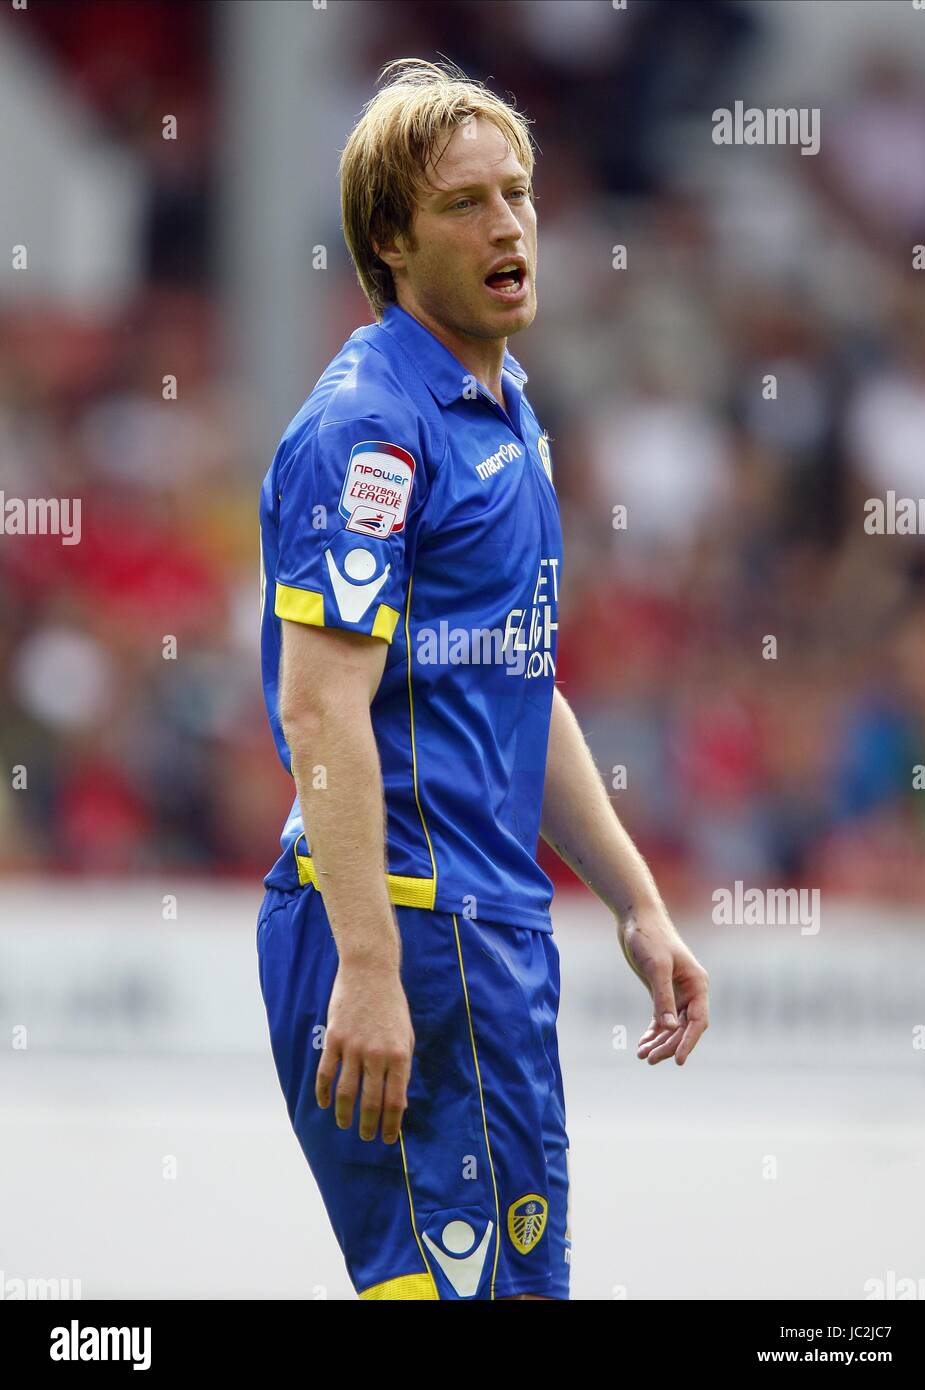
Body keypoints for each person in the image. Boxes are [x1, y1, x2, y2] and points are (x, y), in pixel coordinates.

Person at [256, 57, 709, 1302]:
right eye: (467, 203)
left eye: (517, 193)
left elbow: (518, 686)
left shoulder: (502, 415)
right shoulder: (371, 426)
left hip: (490, 935)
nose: (509, 224)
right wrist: (365, 964)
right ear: (391, 239)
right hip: (401, 924)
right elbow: (319, 702)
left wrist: (632, 897)